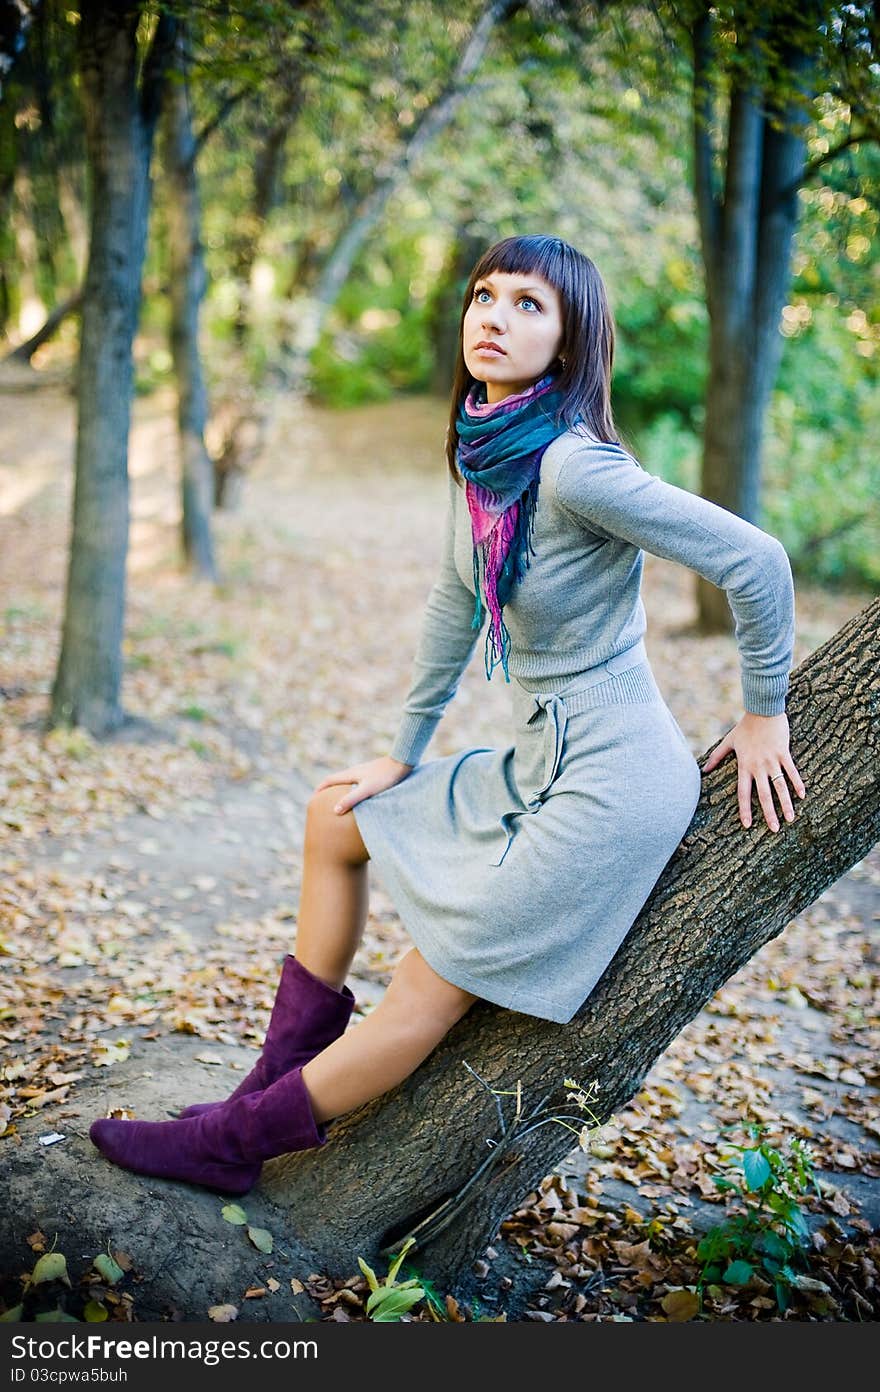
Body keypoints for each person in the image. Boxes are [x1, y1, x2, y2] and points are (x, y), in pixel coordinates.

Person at [90, 233, 806, 1194]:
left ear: (570, 340)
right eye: (485, 296)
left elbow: (756, 561)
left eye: (528, 305)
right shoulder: (485, 453)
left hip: (616, 778)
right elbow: (450, 604)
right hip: (535, 758)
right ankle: (265, 1087)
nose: (495, 318)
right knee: (332, 816)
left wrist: (765, 715)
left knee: (432, 977)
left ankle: (232, 1148)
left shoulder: (574, 469)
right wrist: (400, 753)